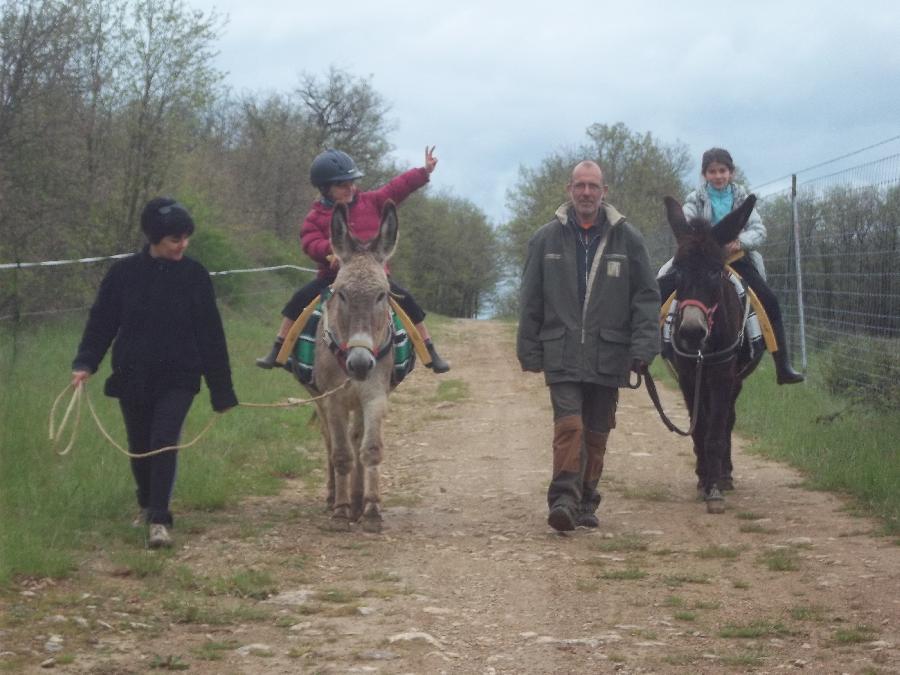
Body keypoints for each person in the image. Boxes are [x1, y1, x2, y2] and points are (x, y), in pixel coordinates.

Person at [71, 198, 238, 549]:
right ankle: (147, 504)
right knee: (139, 446)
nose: (183, 245)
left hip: (179, 375)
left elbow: (211, 335)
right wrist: (85, 363)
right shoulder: (123, 274)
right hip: (132, 373)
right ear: (154, 238)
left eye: (186, 238)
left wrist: (221, 391)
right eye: (175, 239)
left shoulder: (195, 275)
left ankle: (160, 520)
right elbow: (101, 322)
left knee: (164, 440)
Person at [517, 161, 660, 532]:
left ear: (604, 192)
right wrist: (528, 349)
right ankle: (563, 498)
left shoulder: (628, 239)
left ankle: (585, 500)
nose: (585, 193)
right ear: (569, 190)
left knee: (597, 431)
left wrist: (643, 348)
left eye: (592, 186)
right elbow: (530, 298)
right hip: (561, 350)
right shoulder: (545, 239)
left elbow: (646, 298)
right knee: (570, 426)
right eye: (579, 186)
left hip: (609, 352)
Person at [255, 147, 450, 373]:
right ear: (325, 188)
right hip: (333, 277)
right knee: (298, 300)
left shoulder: (373, 201)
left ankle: (428, 349)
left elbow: (398, 188)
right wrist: (330, 252)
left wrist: (424, 171)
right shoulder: (315, 216)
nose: (350, 188)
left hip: (373, 277)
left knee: (408, 301)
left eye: (352, 182)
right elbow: (309, 241)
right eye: (342, 185)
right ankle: (279, 347)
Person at [657, 147, 804, 384]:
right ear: (704, 175)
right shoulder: (696, 199)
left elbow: (759, 230)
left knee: (769, 299)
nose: (718, 176)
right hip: (702, 260)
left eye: (722, 170)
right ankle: (651, 347)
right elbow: (685, 224)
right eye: (712, 171)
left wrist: (741, 242)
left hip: (736, 259)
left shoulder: (741, 198)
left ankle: (782, 364)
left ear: (731, 173)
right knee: (661, 286)